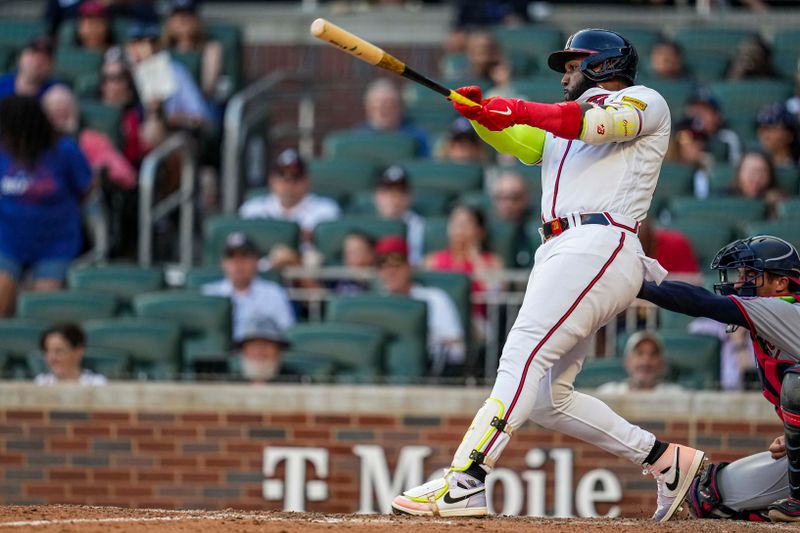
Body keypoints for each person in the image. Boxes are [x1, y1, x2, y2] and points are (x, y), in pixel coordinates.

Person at [392, 29, 705, 523]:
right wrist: (483, 120)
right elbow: (521, 138)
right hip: (564, 248)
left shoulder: (644, 102)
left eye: (573, 65)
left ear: (602, 64)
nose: (565, 75)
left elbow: (577, 123)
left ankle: (465, 480)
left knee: (522, 353)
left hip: (601, 240)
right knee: (545, 397)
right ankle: (666, 461)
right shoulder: (564, 127)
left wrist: (510, 106)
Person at [636, 235, 800, 522]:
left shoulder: (786, 308)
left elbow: (701, 301)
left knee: (797, 384)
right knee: (709, 497)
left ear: (781, 283)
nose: (739, 283)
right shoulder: (770, 325)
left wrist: (636, 287)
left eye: (751, 274)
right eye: (740, 274)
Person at [0, 96, 92, 317]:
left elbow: (86, 188)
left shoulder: (64, 151)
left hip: (55, 245)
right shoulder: (3, 151)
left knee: (42, 309)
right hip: (9, 242)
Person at [376, 236, 465, 376]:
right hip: (382, 375)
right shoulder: (374, 303)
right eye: (383, 265)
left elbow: (457, 348)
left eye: (396, 264)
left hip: (427, 374)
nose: (390, 271)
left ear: (408, 266)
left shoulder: (434, 298)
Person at [201, 232, 295, 344]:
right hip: (220, 358)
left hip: (258, 355)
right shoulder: (208, 294)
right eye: (231, 257)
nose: (237, 264)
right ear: (223, 263)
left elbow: (287, 333)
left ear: (256, 261)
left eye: (244, 256)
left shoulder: (274, 293)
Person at [239, 148, 341, 249]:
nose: (289, 183)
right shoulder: (253, 209)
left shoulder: (326, 209)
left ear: (307, 181)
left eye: (296, 176)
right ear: (271, 181)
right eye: (281, 175)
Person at [42, 85, 137, 190]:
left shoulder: (93, 141)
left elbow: (127, 176)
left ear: (75, 112)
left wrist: (93, 172)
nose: (59, 117)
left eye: (65, 110)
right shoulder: (35, 145)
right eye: (54, 112)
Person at [124, 22, 211, 131]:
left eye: (152, 42)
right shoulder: (118, 71)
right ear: (129, 46)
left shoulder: (175, 71)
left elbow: (200, 116)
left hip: (170, 135)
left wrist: (167, 116)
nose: (147, 47)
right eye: (139, 42)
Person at [99, 54, 166, 169]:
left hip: (132, 170)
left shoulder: (138, 111)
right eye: (108, 78)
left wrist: (154, 111)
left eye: (119, 78)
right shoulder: (94, 111)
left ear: (128, 83)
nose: (113, 84)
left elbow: (153, 143)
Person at [162, 0, 224, 101]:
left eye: (188, 14)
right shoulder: (162, 50)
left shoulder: (210, 48)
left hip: (199, 107)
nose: (183, 19)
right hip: (167, 106)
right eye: (178, 14)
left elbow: (208, 88)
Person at [596, 331, 684, 394]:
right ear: (627, 362)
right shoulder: (608, 393)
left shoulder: (676, 394)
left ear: (662, 363)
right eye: (639, 353)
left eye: (653, 354)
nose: (646, 361)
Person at [360, 79, 430, 157]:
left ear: (398, 107)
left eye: (388, 106)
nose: (383, 112)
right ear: (368, 108)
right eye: (376, 107)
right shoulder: (359, 138)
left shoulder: (417, 137)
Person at [373, 165, 424, 266]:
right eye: (387, 192)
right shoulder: (370, 224)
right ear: (376, 196)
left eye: (400, 192)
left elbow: (415, 262)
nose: (393, 199)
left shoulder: (418, 226)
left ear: (409, 197)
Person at [682, 89, 742, 166]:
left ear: (717, 116)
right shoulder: (682, 136)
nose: (699, 116)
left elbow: (735, 168)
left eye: (705, 111)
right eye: (696, 110)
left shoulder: (728, 139)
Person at [35, 322, 106, 385]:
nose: (52, 358)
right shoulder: (40, 382)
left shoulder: (96, 383)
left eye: (59, 351)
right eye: (47, 351)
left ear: (78, 351)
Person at [490, 170, 535, 269]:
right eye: (501, 197)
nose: (507, 204)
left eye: (514, 198)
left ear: (526, 198)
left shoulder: (537, 228)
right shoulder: (483, 229)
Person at [0, 36, 58, 101]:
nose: (38, 61)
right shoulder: (2, 85)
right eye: (33, 54)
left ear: (51, 65)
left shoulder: (56, 94)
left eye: (45, 58)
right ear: (19, 58)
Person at [730, 151, 785, 219]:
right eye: (751, 172)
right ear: (739, 174)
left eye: (762, 173)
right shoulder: (723, 199)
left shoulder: (779, 201)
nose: (756, 178)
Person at [235, 316, 289, 384]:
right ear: (244, 350)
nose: (260, 352)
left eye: (267, 345)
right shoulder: (228, 382)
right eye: (254, 346)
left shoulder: (295, 382)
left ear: (279, 350)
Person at [755, 103, 798, 169]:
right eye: (762, 128)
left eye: (771, 129)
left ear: (789, 135)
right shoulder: (755, 164)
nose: (765, 135)